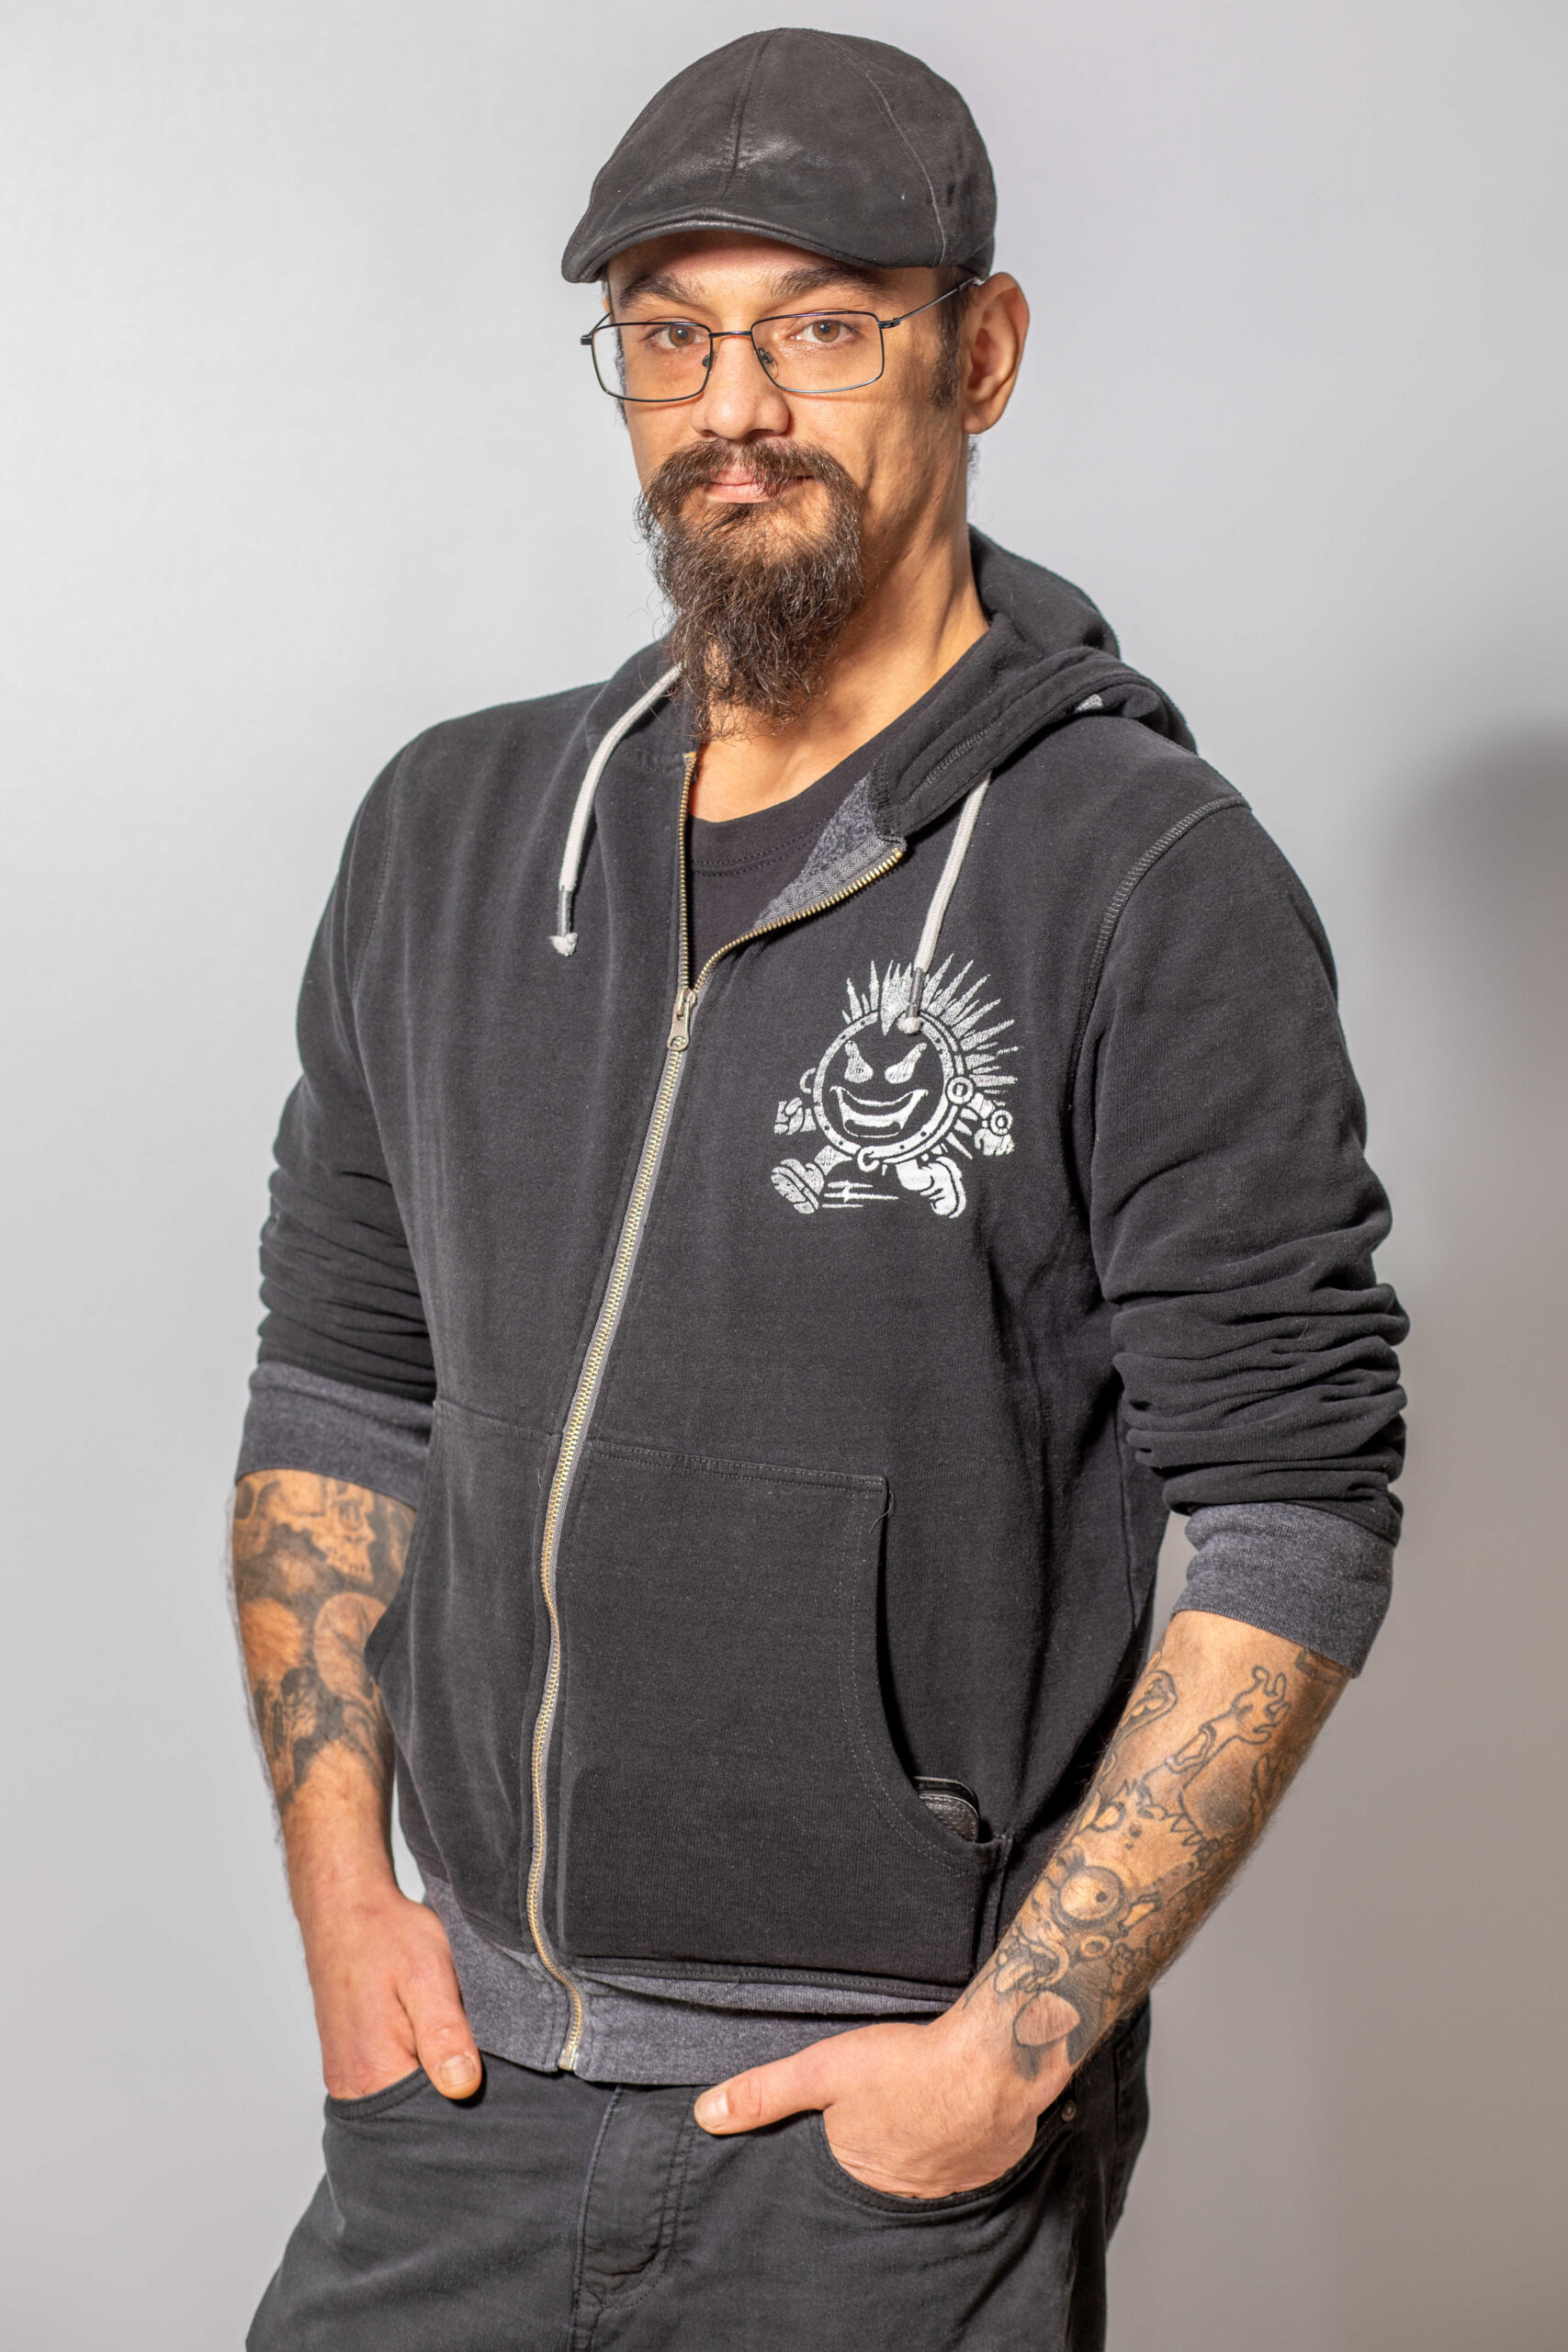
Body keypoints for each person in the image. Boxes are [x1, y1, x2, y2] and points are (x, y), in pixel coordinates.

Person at [233, 28, 1406, 2350]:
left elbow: (1289, 1505)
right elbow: (342, 1382)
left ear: (980, 353)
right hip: (453, 2102)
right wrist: (343, 1905)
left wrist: (1005, 2052)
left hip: (873, 2161)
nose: (734, 405)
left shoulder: (1141, 876)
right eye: (669, 336)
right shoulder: (450, 833)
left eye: (822, 326)